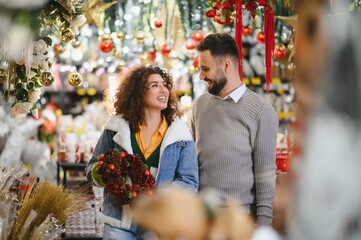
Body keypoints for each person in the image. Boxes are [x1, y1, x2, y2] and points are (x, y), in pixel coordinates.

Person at [86, 65, 199, 240]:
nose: (163, 90)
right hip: (119, 223)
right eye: (154, 85)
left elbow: (189, 182)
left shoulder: (181, 136)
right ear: (138, 92)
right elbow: (91, 168)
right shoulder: (115, 128)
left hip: (159, 225)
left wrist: (156, 195)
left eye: (164, 85)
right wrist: (100, 172)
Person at [191, 33, 279, 226]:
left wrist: (263, 228)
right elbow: (190, 164)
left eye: (205, 69)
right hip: (201, 219)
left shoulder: (261, 111)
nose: (201, 76)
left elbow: (265, 174)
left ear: (227, 65)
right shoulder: (199, 105)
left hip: (238, 222)